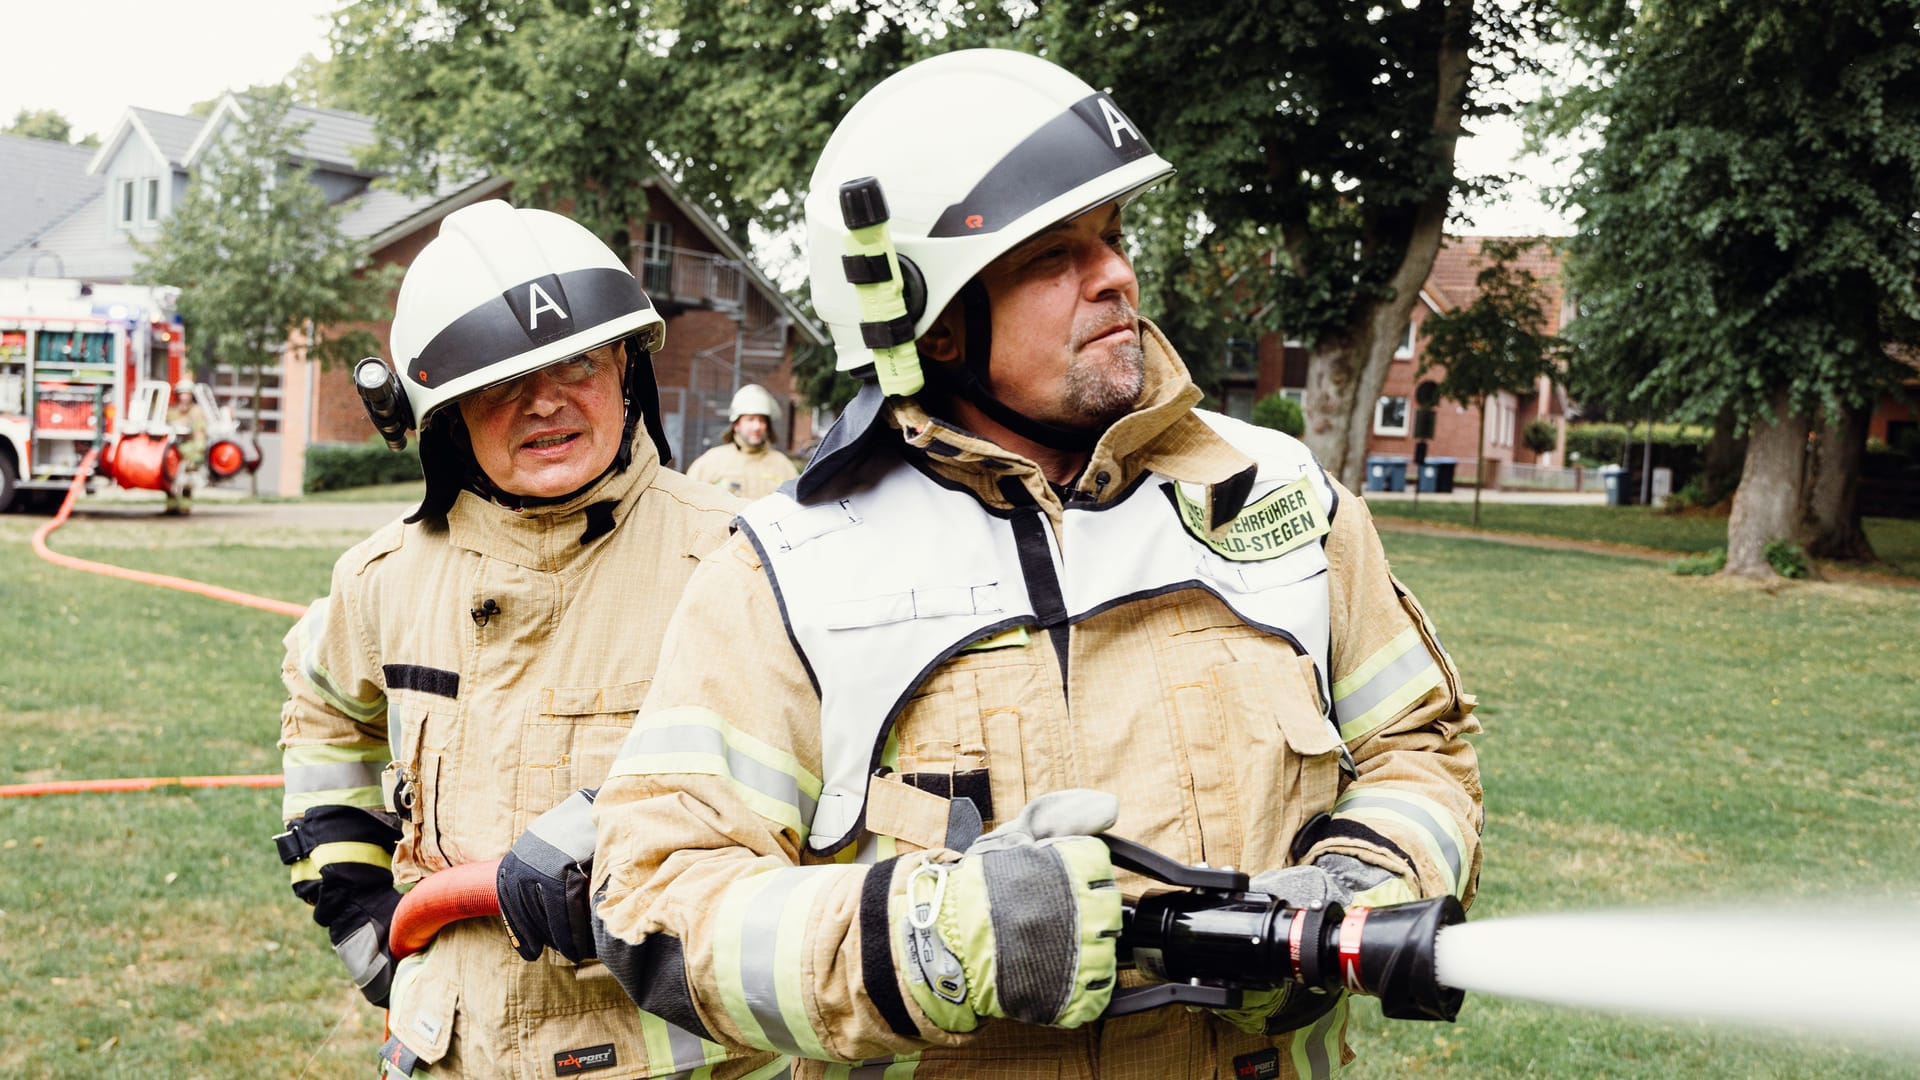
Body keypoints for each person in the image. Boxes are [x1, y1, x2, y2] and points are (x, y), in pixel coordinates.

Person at [591, 49, 1482, 1079]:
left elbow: (1421, 745)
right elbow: (656, 900)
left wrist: (1362, 874)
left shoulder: (1278, 498)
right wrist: (926, 943)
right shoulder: (788, 572)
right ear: (926, 315)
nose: (1116, 275)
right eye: (1051, 256)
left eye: (1109, 237)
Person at [273, 200, 785, 1079]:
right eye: (499, 380)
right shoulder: (383, 578)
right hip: (448, 1051)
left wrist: (618, 836)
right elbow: (322, 715)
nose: (545, 401)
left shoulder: (742, 557)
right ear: (442, 415)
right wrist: (365, 921)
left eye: (578, 361)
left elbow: (832, 788)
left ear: (627, 366)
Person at [685, 383, 800, 499]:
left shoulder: (783, 465)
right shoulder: (711, 461)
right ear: (736, 424)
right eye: (750, 419)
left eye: (762, 420)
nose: (757, 426)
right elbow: (688, 499)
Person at [164, 378, 206, 515]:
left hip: (190, 451)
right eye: (182, 393)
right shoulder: (171, 412)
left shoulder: (197, 412)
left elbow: (200, 433)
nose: (184, 397)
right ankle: (171, 507)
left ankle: (185, 508)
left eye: (187, 394)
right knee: (170, 480)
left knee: (188, 482)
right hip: (173, 452)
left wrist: (197, 452)